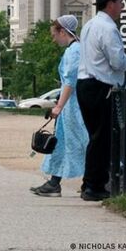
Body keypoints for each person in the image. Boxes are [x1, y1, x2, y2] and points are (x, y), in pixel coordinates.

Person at [76, 0, 126, 201]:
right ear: (110, 4)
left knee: (95, 136)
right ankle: (95, 186)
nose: (122, 5)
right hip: (100, 85)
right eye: (120, 1)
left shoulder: (89, 25)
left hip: (85, 83)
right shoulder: (108, 28)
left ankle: (89, 183)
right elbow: (117, 60)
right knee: (102, 138)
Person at [31, 15, 89, 197]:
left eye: (54, 35)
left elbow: (70, 82)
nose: (53, 39)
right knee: (64, 142)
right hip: (72, 105)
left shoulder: (74, 51)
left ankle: (105, 178)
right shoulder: (77, 49)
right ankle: (55, 182)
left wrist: (58, 107)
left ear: (63, 32)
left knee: (83, 140)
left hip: (74, 107)